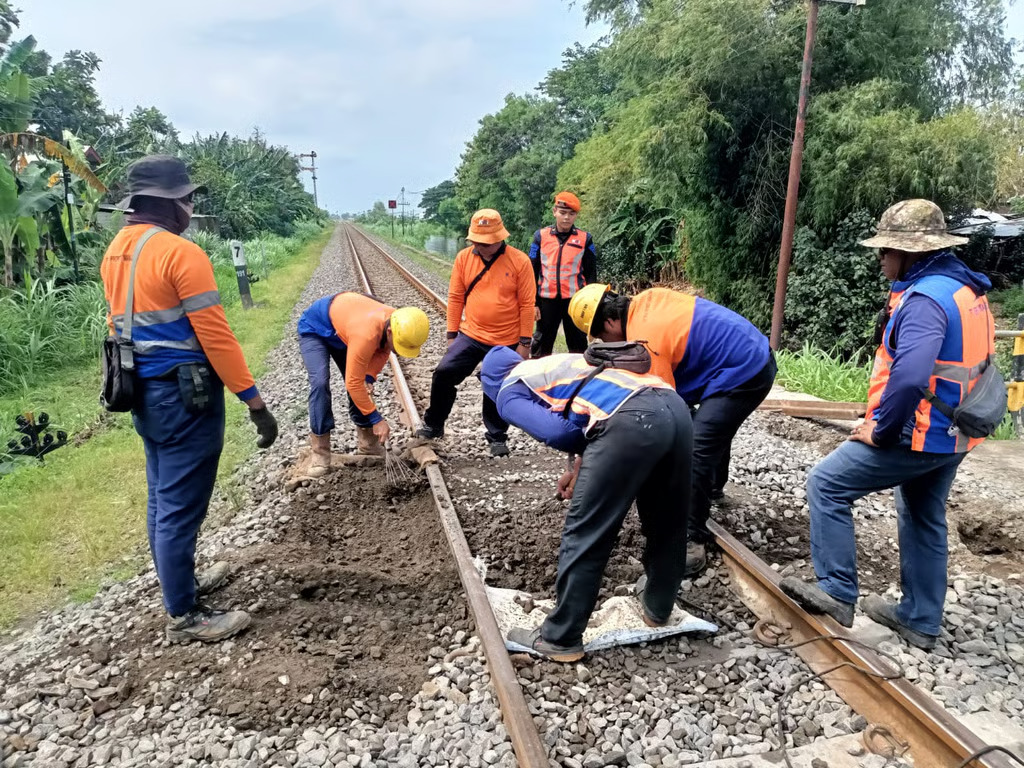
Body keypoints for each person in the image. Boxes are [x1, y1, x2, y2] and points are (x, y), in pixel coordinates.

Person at [780, 199, 994, 651]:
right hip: (958, 429)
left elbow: (912, 375)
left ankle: (837, 591)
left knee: (826, 484)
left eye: (884, 251)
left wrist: (880, 430)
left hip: (921, 431)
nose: (879, 259)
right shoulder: (964, 288)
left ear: (908, 252)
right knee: (922, 513)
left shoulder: (925, 301)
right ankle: (919, 619)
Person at [100, 155, 279, 643]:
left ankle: (181, 585)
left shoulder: (118, 248)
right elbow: (216, 337)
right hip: (184, 396)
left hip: (144, 392)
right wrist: (255, 403)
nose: (191, 205)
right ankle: (184, 615)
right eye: (187, 197)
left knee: (162, 496)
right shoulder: (182, 254)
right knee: (180, 506)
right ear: (168, 203)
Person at [480, 346, 693, 662]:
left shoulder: (507, 390)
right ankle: (658, 608)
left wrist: (595, 458)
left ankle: (561, 638)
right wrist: (581, 467)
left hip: (630, 420)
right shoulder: (555, 366)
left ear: (489, 382)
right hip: (673, 408)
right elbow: (592, 413)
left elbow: (557, 433)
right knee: (668, 520)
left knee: (587, 530)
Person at [569, 283, 775, 576]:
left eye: (602, 335)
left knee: (696, 447)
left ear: (611, 321)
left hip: (745, 370)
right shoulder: (646, 301)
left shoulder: (645, 340)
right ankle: (712, 488)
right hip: (747, 354)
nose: (607, 341)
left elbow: (665, 409)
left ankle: (690, 538)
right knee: (711, 426)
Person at [416, 209, 535, 457]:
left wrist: (525, 343)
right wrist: (452, 335)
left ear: (499, 238)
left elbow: (527, 304)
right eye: (477, 242)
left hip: (507, 339)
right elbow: (456, 296)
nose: (481, 246)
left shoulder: (520, 261)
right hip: (471, 334)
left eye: (486, 242)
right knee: (443, 373)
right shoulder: (463, 258)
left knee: (496, 386)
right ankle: (434, 424)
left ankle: (497, 436)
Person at [297, 293, 429, 473]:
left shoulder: (397, 321)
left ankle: (368, 445)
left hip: (344, 330)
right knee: (320, 383)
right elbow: (353, 383)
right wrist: (377, 420)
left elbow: (384, 349)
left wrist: (369, 376)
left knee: (362, 384)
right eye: (398, 345)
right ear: (389, 331)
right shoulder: (365, 335)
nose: (397, 351)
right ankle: (320, 452)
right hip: (316, 328)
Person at [528, 191, 597, 357]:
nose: (566, 217)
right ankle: (540, 379)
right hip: (546, 301)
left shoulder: (585, 239)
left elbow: (591, 275)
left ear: (576, 216)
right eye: (563, 213)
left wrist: (592, 305)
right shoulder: (540, 237)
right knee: (541, 343)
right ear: (554, 212)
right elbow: (531, 271)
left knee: (578, 344)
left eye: (571, 214)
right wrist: (534, 303)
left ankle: (578, 379)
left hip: (575, 301)